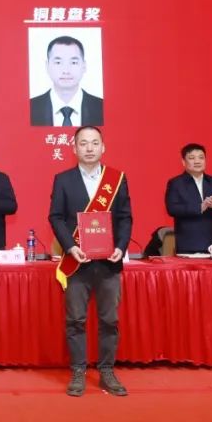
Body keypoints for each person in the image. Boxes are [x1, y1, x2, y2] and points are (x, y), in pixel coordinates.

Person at [48, 126, 132, 397]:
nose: (89, 148)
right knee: (76, 319)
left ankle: (107, 371)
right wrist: (70, 247)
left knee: (109, 319)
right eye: (83, 143)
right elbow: (55, 217)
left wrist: (120, 247)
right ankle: (78, 371)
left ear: (103, 147)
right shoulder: (63, 179)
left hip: (109, 262)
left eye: (95, 143)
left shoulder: (116, 179)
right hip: (77, 262)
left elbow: (125, 217)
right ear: (74, 148)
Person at [164, 143, 212, 253]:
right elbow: (172, 208)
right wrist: (200, 207)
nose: (197, 161)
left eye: (201, 157)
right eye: (192, 158)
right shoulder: (176, 183)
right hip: (188, 243)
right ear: (183, 162)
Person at [30, 35, 104, 126]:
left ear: (84, 66)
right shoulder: (30, 108)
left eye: (73, 62)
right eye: (58, 62)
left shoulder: (102, 107)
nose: (66, 70)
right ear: (47, 66)